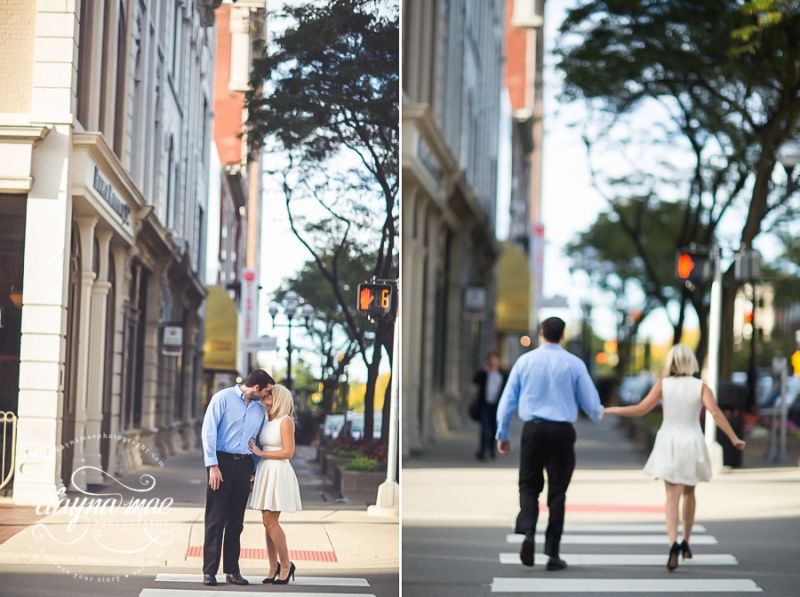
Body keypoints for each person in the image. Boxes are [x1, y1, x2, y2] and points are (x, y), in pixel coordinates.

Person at [604, 343, 746, 571]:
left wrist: (609, 410)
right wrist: (733, 437)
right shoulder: (701, 387)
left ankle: (672, 543)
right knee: (690, 492)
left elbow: (640, 409)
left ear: (670, 361)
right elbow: (716, 413)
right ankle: (686, 542)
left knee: (672, 496)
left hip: (668, 441)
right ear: (692, 362)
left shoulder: (663, 385)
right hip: (692, 440)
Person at [496, 316, 604, 571]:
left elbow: (507, 400)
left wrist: (502, 434)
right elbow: (590, 402)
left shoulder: (525, 361)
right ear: (563, 335)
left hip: (533, 430)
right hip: (562, 433)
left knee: (528, 485)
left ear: (541, 333)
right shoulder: (574, 364)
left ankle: (529, 531)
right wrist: (599, 414)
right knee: (557, 492)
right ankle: (553, 554)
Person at [200, 369, 275, 586]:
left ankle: (232, 570)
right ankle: (209, 571)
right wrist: (212, 465)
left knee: (236, 522)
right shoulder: (222, 398)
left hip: (244, 465)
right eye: (267, 391)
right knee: (215, 519)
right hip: (220, 463)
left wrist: (253, 469)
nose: (267, 395)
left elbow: (258, 441)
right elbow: (209, 432)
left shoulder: (260, 409)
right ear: (257, 388)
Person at [247, 384, 302, 585]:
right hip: (265, 470)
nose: (266, 395)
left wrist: (262, 454)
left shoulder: (285, 421)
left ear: (279, 398)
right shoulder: (267, 419)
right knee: (266, 521)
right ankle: (273, 565)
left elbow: (288, 452)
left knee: (271, 521)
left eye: (271, 393)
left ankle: (286, 564)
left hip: (278, 471)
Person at [473, 351, 508, 460]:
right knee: (484, 428)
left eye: (495, 359)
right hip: (485, 404)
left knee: (494, 428)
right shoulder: (485, 373)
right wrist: (483, 371)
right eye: (491, 359)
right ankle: (482, 451)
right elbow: (475, 380)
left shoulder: (502, 374)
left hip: (497, 406)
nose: (493, 361)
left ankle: (492, 450)